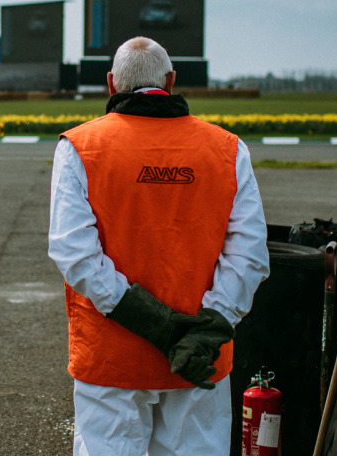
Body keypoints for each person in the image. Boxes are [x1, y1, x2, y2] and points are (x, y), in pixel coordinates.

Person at [48, 37, 270, 456]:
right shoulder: (228, 149)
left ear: (111, 84)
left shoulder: (79, 146)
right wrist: (202, 332)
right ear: (171, 80)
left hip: (112, 359)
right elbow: (250, 256)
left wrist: (158, 327)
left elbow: (75, 255)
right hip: (199, 361)